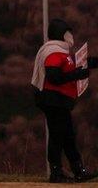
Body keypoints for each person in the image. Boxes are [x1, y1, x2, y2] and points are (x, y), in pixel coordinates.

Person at [31, 18, 98, 183]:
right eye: (68, 33)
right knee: (57, 135)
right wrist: (77, 75)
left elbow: (78, 64)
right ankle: (56, 172)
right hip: (53, 99)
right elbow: (54, 77)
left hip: (57, 100)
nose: (71, 36)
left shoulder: (61, 52)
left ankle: (78, 170)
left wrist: (88, 66)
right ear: (61, 34)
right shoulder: (54, 52)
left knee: (67, 135)